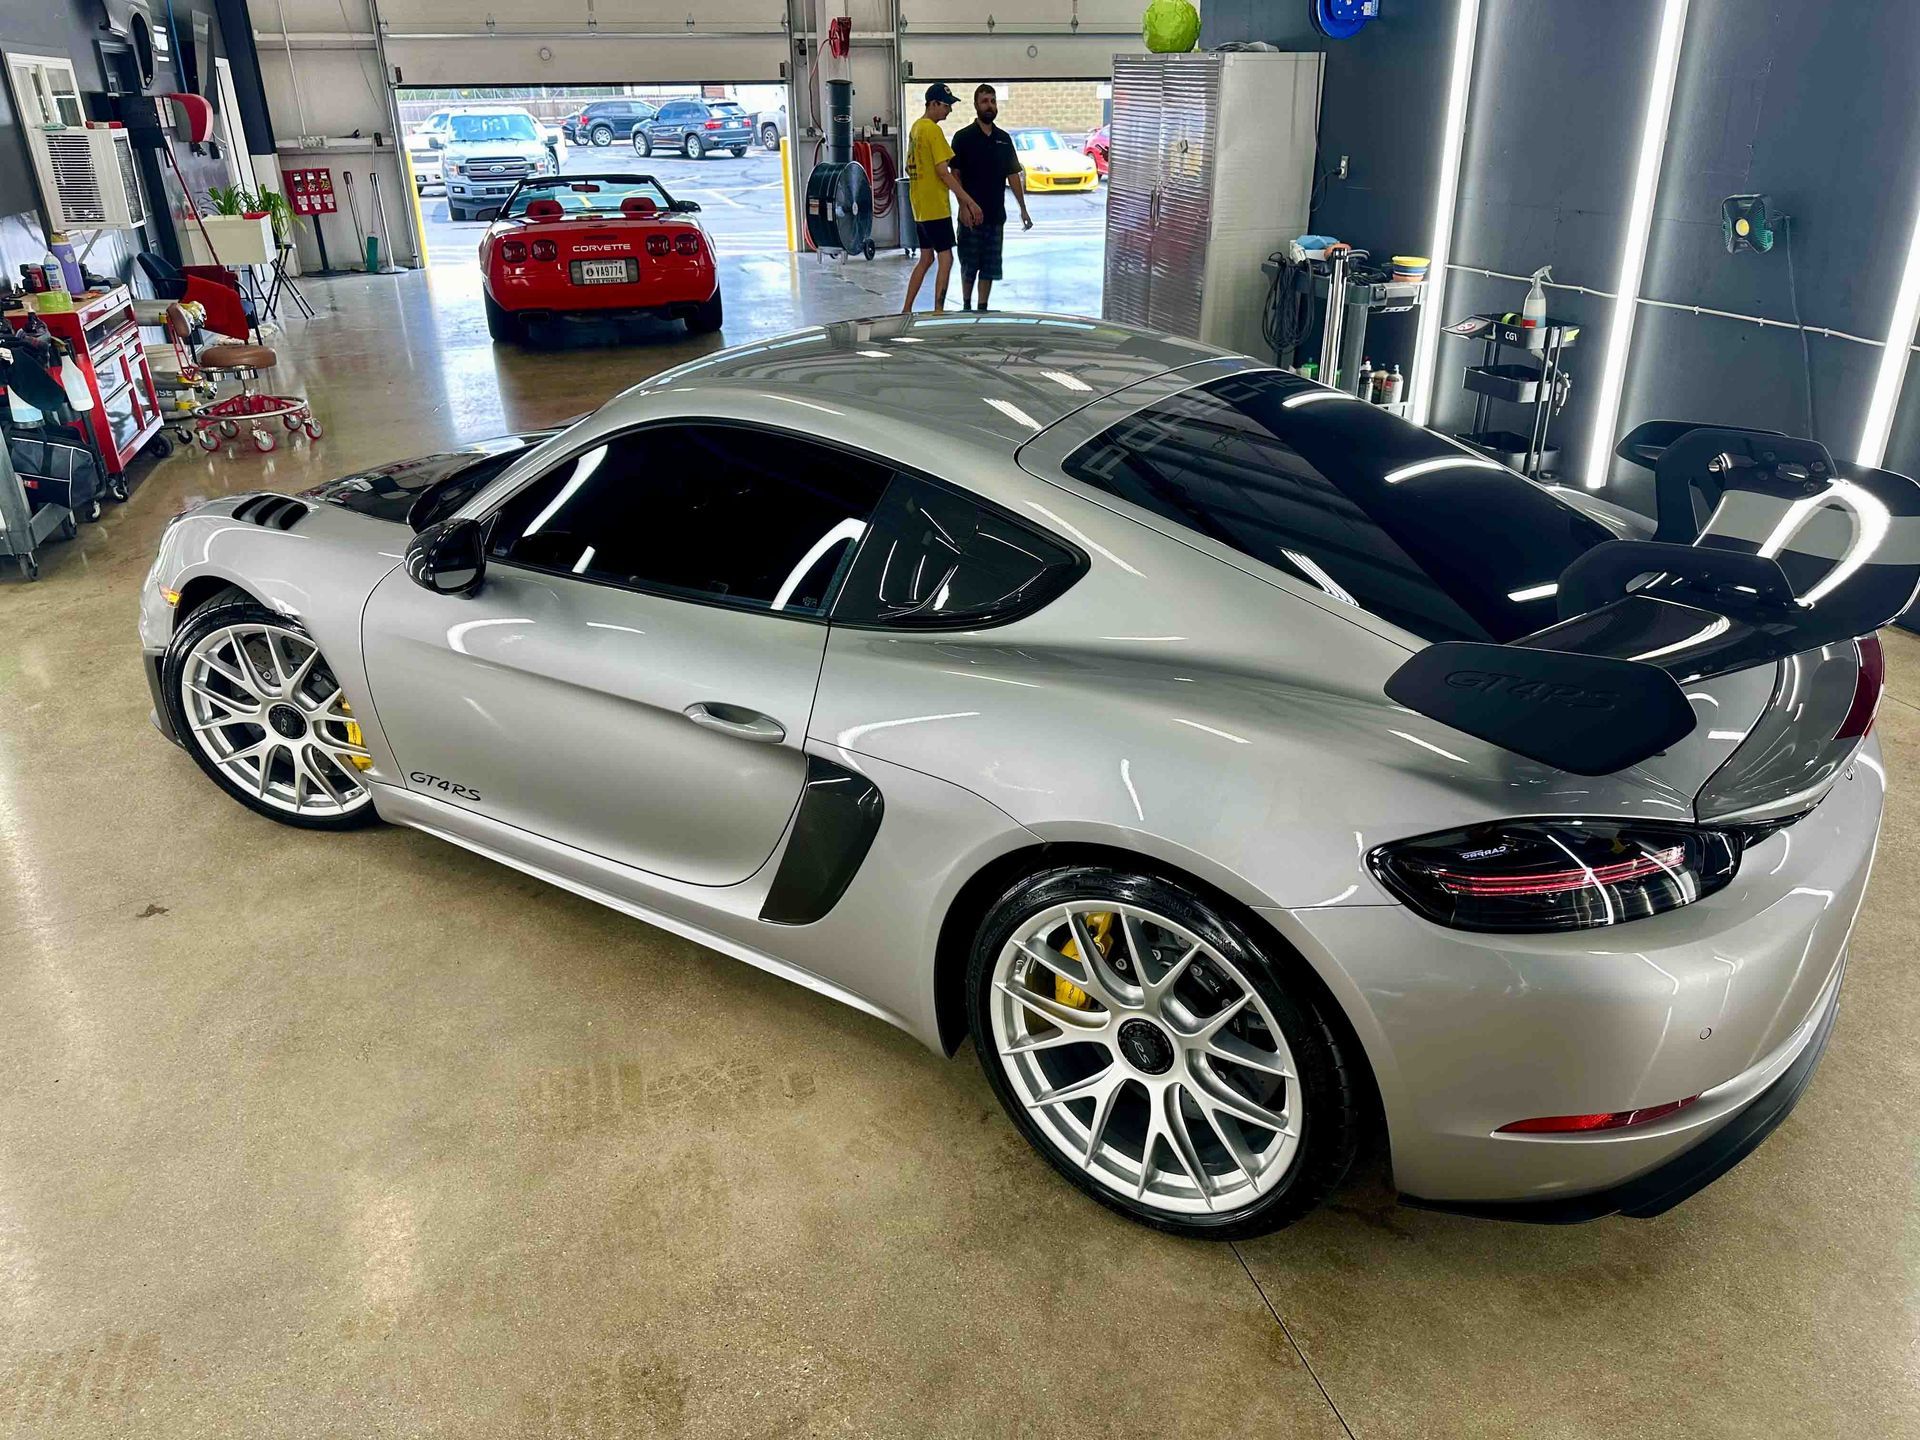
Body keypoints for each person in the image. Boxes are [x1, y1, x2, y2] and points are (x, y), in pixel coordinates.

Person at [949, 84, 1031, 311]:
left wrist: (1023, 209)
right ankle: (966, 306)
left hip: (995, 216)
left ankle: (982, 307)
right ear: (976, 105)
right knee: (969, 265)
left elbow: (1013, 175)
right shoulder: (963, 138)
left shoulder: (1004, 140)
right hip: (970, 218)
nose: (989, 105)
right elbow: (955, 175)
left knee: (989, 267)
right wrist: (963, 207)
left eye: (993, 101)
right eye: (985, 101)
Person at [901, 82, 982, 313]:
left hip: (919, 207)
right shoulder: (932, 130)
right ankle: (938, 311)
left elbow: (910, 167)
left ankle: (906, 308)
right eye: (946, 105)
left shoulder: (916, 128)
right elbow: (943, 172)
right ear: (934, 104)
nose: (949, 110)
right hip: (936, 207)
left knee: (926, 258)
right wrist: (969, 201)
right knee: (946, 258)